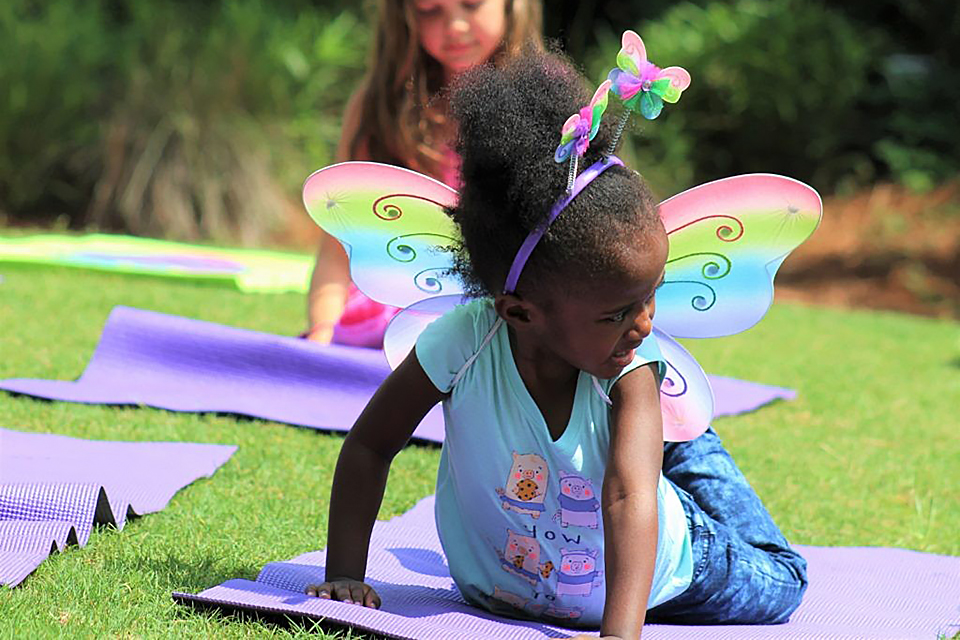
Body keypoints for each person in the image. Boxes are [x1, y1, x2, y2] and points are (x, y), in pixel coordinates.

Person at [305, 49, 808, 638]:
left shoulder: (632, 365)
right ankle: (673, 444)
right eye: (619, 311)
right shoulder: (464, 343)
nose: (646, 323)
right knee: (636, 443)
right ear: (520, 312)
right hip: (503, 590)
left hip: (672, 568)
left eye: (652, 296)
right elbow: (370, 444)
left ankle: (689, 446)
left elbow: (627, 497)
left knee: (783, 581)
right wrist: (344, 574)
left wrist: (620, 635)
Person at [305, 0, 544, 346]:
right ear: (404, 16)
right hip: (384, 315)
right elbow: (339, 245)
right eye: (430, 10)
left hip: (496, 318)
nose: (455, 26)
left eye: (472, 4)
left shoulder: (542, 105)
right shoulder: (380, 108)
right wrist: (322, 329)